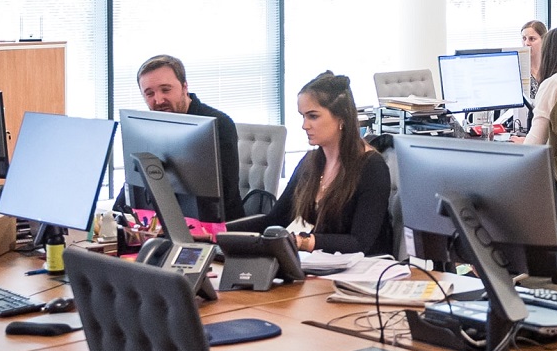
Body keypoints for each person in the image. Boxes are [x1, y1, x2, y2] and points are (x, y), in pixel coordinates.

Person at [229, 72, 394, 255]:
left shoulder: (372, 167)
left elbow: (359, 242)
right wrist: (215, 232)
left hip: (362, 272)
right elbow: (274, 220)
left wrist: (301, 242)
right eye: (303, 116)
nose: (304, 125)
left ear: (342, 118)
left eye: (313, 116)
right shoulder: (311, 162)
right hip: (318, 266)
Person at [122, 55, 244, 223]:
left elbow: (225, 194)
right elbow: (136, 181)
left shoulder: (218, 124)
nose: (158, 100)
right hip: (166, 224)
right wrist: (117, 218)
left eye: (166, 90)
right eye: (149, 93)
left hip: (218, 231)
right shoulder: (149, 127)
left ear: (184, 87)